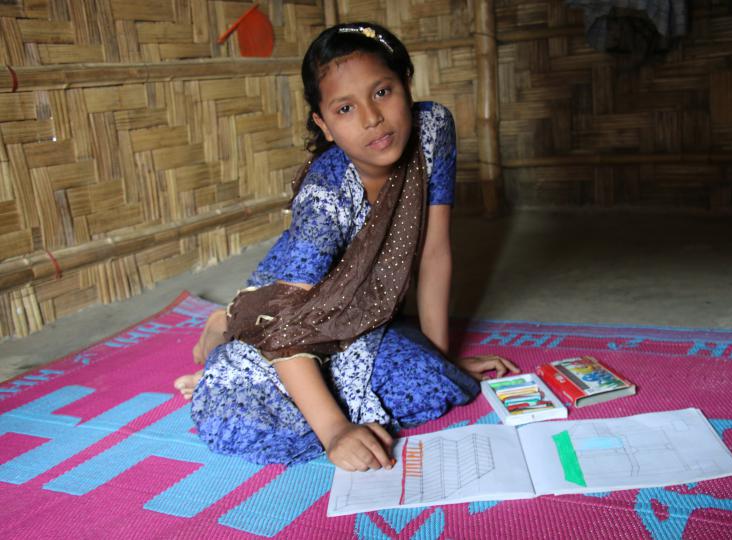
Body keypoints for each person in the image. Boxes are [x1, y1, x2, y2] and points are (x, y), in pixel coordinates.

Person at [173, 22, 518, 472]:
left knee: (433, 385)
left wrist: (441, 360)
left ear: (406, 84)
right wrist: (334, 430)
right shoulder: (326, 194)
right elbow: (283, 325)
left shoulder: (433, 130)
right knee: (240, 422)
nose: (372, 118)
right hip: (282, 313)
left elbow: (434, 252)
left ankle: (246, 349)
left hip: (357, 313)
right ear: (325, 124)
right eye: (345, 108)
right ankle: (229, 332)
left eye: (382, 92)